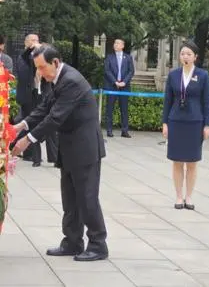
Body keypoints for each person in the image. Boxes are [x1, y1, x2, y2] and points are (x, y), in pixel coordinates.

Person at [12, 44, 108, 261]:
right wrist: (21, 126)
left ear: (55, 63)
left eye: (42, 67)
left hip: (84, 148)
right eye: (37, 68)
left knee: (87, 197)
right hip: (70, 147)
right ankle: (72, 241)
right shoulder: (56, 79)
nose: (40, 73)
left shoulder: (71, 81)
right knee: (70, 198)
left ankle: (98, 244)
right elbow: (44, 109)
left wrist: (28, 140)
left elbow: (55, 118)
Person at [162, 40, 209, 211]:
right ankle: (178, 196)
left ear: (195, 57)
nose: (185, 56)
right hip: (176, 121)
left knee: (192, 162)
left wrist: (207, 125)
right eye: (183, 53)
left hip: (195, 122)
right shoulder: (174, 75)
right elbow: (168, 100)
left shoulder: (203, 76)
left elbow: (207, 102)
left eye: (189, 54)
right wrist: (165, 122)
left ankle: (189, 196)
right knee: (177, 161)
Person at [14, 34, 57, 166]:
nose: (35, 43)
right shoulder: (24, 58)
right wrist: (30, 51)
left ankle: (54, 157)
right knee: (31, 124)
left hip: (43, 95)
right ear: (26, 43)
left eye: (37, 41)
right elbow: (23, 69)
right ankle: (33, 156)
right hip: (30, 96)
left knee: (50, 126)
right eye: (32, 41)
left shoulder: (43, 58)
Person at [104, 38, 135, 138]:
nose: (115, 45)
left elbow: (131, 71)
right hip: (112, 86)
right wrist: (115, 82)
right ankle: (109, 130)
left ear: (122, 46)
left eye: (117, 43)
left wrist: (124, 82)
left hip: (124, 88)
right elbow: (107, 71)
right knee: (109, 109)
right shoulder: (109, 57)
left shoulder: (128, 57)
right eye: (114, 43)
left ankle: (124, 131)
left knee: (124, 109)